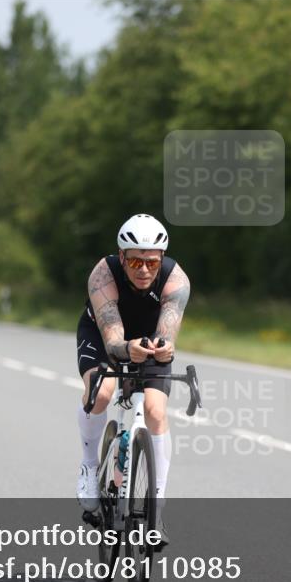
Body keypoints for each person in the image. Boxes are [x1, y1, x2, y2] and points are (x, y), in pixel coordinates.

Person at [75, 214, 190, 546]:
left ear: (162, 260)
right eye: (136, 261)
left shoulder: (176, 280)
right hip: (103, 335)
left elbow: (167, 331)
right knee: (102, 389)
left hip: (148, 338)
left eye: (152, 262)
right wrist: (126, 349)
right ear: (122, 257)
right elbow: (112, 339)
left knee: (155, 411)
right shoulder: (103, 274)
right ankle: (88, 466)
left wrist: (164, 349)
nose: (144, 270)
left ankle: (157, 506)